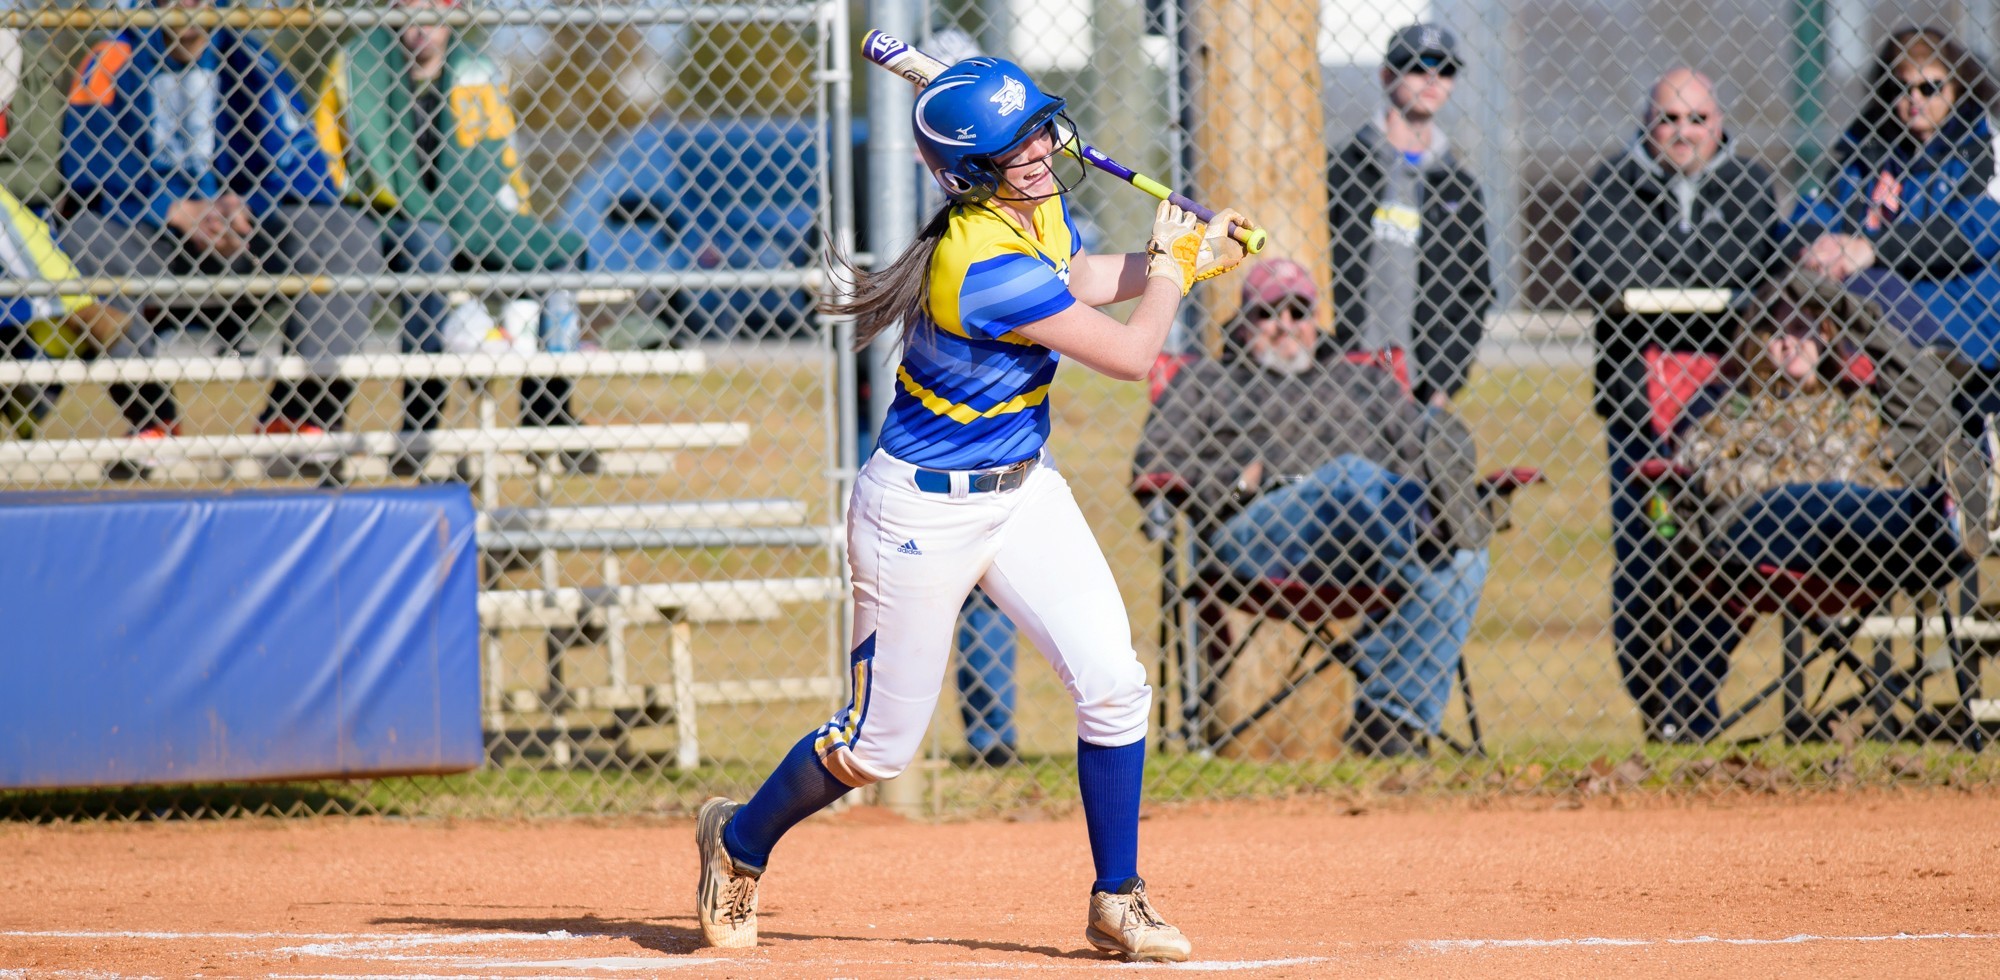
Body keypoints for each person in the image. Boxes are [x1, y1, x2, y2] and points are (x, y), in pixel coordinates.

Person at [692, 56, 1252, 962]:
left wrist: (1174, 259)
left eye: (1037, 130)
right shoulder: (979, 261)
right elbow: (1129, 355)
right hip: (919, 513)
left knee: (1114, 688)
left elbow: (1075, 276)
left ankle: (1118, 897)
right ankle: (738, 841)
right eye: (1012, 147)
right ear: (968, 174)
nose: (1037, 151)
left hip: (1022, 490)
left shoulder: (1030, 213)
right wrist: (1175, 272)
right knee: (877, 749)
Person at [1132, 258, 1490, 758]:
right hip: (1254, 533)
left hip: (1363, 543)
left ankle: (1388, 722)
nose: (1284, 325)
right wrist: (1235, 482)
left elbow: (1415, 460)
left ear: (1316, 318)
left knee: (1468, 560)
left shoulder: (1365, 381)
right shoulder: (1207, 382)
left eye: (1298, 310)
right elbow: (1154, 465)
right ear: (1244, 320)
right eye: (1267, 313)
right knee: (1351, 477)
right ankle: (1433, 525)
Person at [1651, 269, 1982, 738]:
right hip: (1760, 536)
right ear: (1755, 339)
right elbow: (1706, 468)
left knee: (1868, 496)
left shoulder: (1856, 406)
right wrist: (1806, 478)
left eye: (1805, 328)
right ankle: (1944, 518)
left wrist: (1848, 309)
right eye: (1777, 331)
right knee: (1828, 497)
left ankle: (1948, 518)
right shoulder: (1731, 406)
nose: (1791, 343)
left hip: (1850, 548)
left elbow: (1930, 404)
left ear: (1828, 335)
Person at [60, 0, 385, 453]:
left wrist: (246, 204)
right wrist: (169, 208)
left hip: (245, 236)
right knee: (77, 240)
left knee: (349, 235)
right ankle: (152, 418)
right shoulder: (112, 57)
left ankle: (299, 413)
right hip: (152, 237)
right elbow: (83, 170)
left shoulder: (250, 57)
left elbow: (306, 169)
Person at [1569, 67, 1777, 741]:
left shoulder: (1750, 185)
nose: (1682, 133)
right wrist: (1701, 274)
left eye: (1697, 119)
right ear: (1646, 123)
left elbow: (1753, 265)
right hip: (1638, 413)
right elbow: (1604, 269)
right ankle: (1655, 702)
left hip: (1726, 412)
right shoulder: (1610, 185)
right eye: (1668, 119)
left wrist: (1660, 277)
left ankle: (1691, 710)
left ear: (1719, 123)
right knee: (1642, 560)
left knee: (1720, 560)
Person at [314, 0, 592, 474]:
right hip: (385, 213)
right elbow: (326, 157)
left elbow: (504, 159)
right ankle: (421, 418)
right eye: (411, 7)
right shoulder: (358, 64)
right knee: (429, 244)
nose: (423, 21)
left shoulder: (475, 72)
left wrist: (515, 213)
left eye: (435, 7)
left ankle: (547, 410)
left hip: (473, 213)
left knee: (561, 253)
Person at [1785, 27, 2000, 386]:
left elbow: (1976, 230)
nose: (1915, 99)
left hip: (1963, 319)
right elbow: (1816, 208)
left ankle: (1940, 360)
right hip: (1871, 305)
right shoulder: (1866, 148)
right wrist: (1814, 246)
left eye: (1930, 88)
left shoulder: (1983, 147)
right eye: (1903, 88)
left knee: (1871, 284)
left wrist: (1870, 248)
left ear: (1957, 88)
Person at [1327, 23, 1493, 406]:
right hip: (1340, 372)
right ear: (1387, 75)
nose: (1433, 78)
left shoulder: (1458, 187)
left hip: (1418, 384)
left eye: (1446, 69)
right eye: (1418, 66)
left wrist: (1441, 383)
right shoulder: (1342, 170)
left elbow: (1474, 291)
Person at [0, 27, 134, 439]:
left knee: (33, 232)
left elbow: (39, 171)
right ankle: (76, 307)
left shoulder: (29, 60)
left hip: (20, 222)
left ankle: (29, 392)